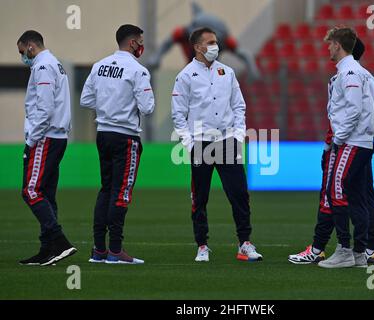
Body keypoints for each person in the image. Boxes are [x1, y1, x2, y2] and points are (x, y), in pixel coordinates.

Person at [288, 35, 374, 266]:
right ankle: (364, 251)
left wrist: (340, 139)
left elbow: (353, 111)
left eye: (330, 43)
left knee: (335, 192)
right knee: (362, 196)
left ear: (339, 45)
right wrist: (366, 134)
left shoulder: (348, 74)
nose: (328, 48)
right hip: (361, 143)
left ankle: (342, 250)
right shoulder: (367, 77)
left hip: (348, 143)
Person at [171, 27, 262, 262]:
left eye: (216, 42)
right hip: (200, 143)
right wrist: (190, 144)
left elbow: (239, 105)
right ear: (198, 46)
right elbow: (178, 115)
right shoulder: (185, 76)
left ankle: (245, 244)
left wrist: (238, 134)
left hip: (227, 141)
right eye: (210, 42)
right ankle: (202, 245)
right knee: (199, 198)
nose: (215, 46)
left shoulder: (227, 72)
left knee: (240, 195)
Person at [80, 24, 155, 264]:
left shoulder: (99, 66)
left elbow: (86, 99)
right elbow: (148, 107)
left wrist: (108, 105)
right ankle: (115, 250)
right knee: (121, 193)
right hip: (126, 137)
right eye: (140, 41)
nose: (142, 45)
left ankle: (99, 250)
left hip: (103, 133)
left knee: (106, 190)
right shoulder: (138, 70)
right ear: (133, 43)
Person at [18, 30, 77, 266]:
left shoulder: (43, 67)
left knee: (30, 191)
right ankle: (49, 249)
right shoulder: (55, 64)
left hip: (46, 136)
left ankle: (60, 241)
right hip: (56, 136)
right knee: (46, 193)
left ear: (31, 46)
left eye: (22, 51)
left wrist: (31, 140)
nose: (23, 57)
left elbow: (44, 108)